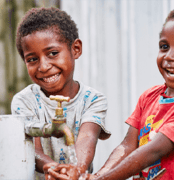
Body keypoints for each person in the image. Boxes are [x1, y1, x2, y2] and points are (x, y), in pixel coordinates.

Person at [49, 4, 174, 180]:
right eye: (164, 46)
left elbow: (153, 151)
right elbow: (128, 146)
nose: (169, 56)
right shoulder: (149, 97)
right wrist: (98, 176)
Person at [11, 7, 111, 180]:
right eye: (32, 59)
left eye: (53, 53)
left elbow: (87, 137)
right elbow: (32, 150)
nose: (43, 66)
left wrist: (75, 169)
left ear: (76, 49)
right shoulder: (24, 101)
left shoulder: (93, 100)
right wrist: (53, 168)